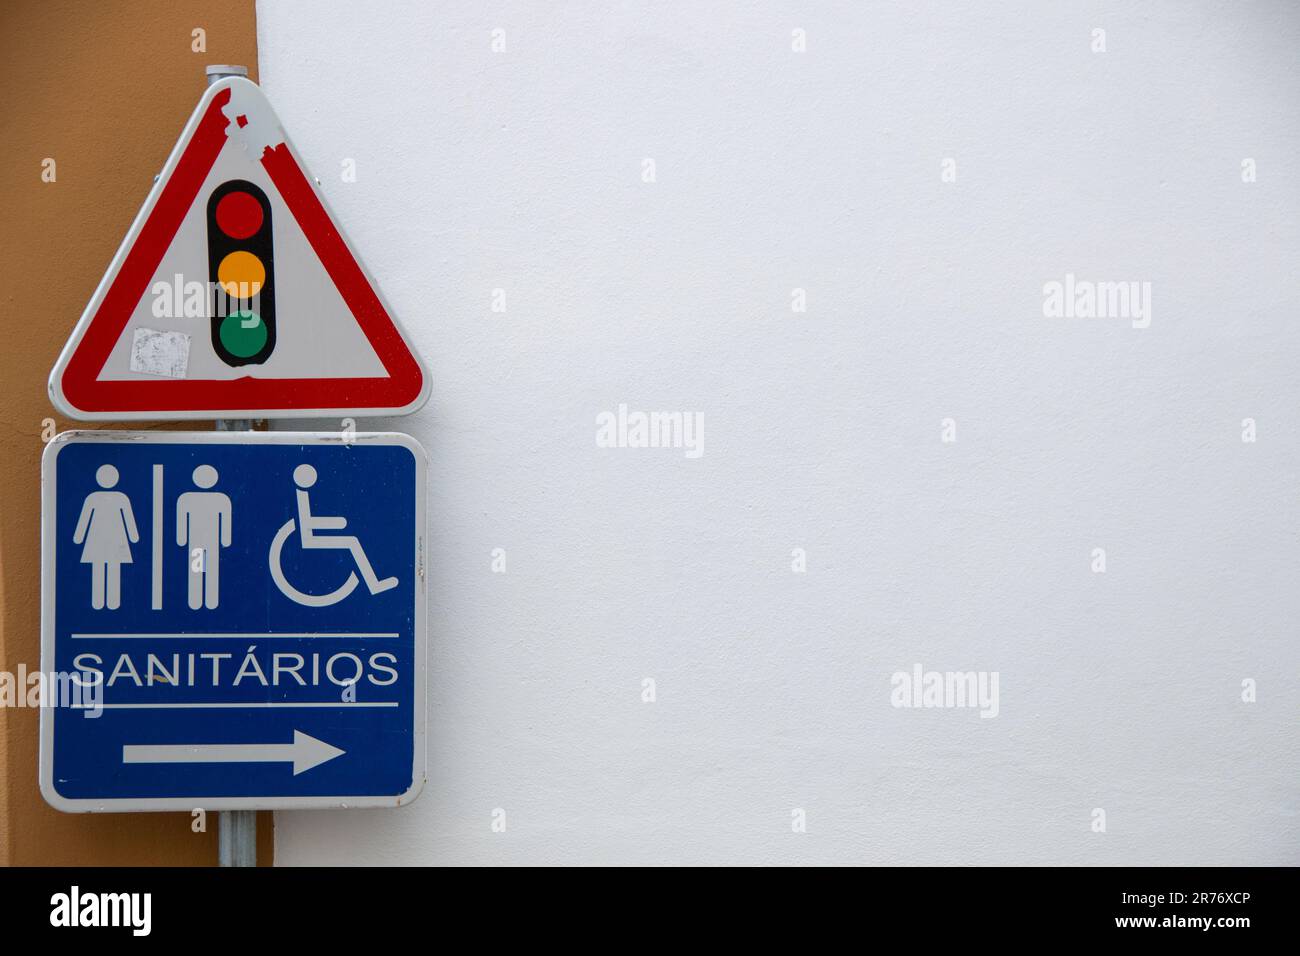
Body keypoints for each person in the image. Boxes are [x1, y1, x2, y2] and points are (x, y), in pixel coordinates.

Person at [293, 463, 397, 594]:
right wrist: (337, 522)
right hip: (309, 539)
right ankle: (373, 584)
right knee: (352, 542)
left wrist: (337, 523)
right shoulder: (301, 496)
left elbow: (308, 521)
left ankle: (374, 584)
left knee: (351, 541)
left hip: (309, 535)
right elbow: (307, 523)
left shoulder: (301, 493)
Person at [72, 464, 139, 610]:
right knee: (105, 569)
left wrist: (79, 537)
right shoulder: (109, 498)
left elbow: (128, 518)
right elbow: (85, 518)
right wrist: (133, 537)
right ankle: (103, 602)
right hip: (107, 540)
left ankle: (107, 602)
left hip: (108, 541)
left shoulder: (113, 498)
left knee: (106, 569)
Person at [176, 464, 232, 609]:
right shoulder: (220, 499)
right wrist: (225, 540)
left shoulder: (188, 498)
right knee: (204, 569)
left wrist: (182, 539)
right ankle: (199, 601)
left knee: (203, 568)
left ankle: (203, 601)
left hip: (200, 541)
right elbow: (182, 520)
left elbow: (226, 521)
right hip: (202, 541)